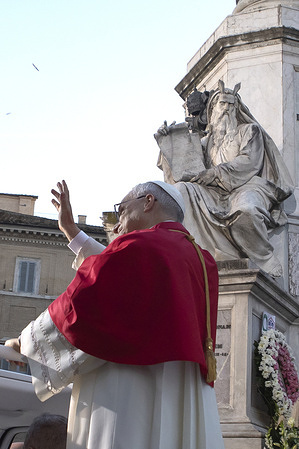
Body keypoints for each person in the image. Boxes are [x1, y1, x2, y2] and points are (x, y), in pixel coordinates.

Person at [6, 180, 224, 449]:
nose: (118, 221)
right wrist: (72, 231)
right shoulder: (200, 259)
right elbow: (122, 275)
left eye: (121, 209)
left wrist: (26, 341)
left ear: (148, 202)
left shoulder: (140, 246)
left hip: (132, 391)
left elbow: (89, 296)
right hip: (181, 391)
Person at [156, 81, 294, 277]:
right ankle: (195, 255)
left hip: (246, 186)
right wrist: (169, 143)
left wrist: (214, 173)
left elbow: (249, 162)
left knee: (246, 211)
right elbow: (184, 168)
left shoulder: (248, 131)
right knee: (181, 190)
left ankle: (263, 257)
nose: (226, 110)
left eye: (231, 105)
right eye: (222, 105)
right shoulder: (204, 142)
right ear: (212, 111)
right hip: (212, 191)